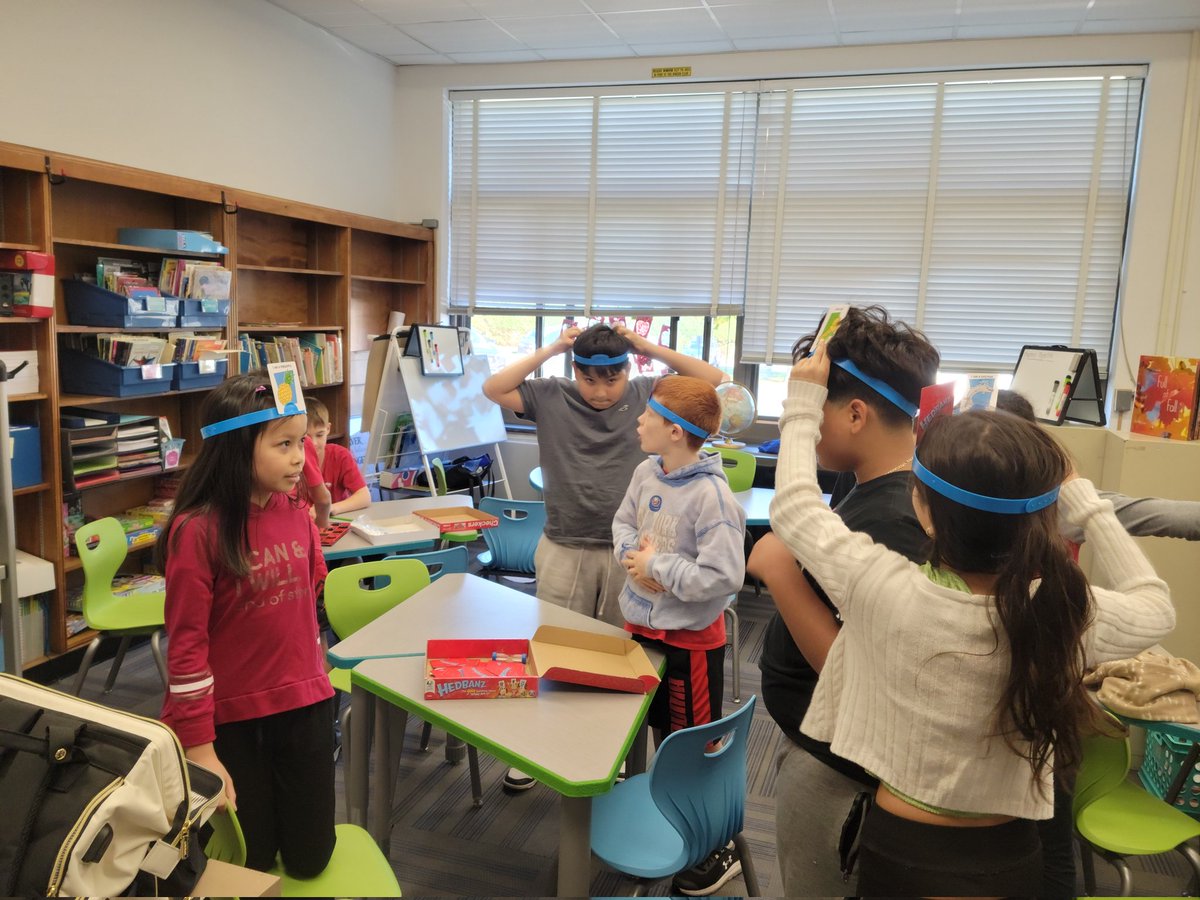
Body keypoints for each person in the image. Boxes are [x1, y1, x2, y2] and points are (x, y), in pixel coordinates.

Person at [769, 341, 1175, 895]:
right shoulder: (1064, 610)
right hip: (1007, 851)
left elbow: (795, 505)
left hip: (901, 847)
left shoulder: (881, 586)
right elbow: (1156, 605)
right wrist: (1083, 499)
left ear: (925, 510)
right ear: (1040, 515)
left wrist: (802, 400)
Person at [483, 322, 723, 793]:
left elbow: (709, 377)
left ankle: (607, 750)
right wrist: (554, 346)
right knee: (553, 649)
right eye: (589, 379)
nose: (600, 390)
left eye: (611, 378)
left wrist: (641, 343)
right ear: (574, 371)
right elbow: (494, 388)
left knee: (619, 657)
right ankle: (541, 748)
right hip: (563, 544)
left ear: (627, 370)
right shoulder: (550, 394)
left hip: (630, 554)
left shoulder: (645, 395)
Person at [750, 305, 939, 897]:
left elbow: (859, 671)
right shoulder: (874, 490)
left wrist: (781, 574)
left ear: (855, 413)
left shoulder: (893, 517)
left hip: (835, 769)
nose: (802, 427)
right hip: (819, 742)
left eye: (809, 414)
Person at [995, 386, 1200, 896]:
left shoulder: (1056, 503)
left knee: (1049, 837)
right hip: (995, 700)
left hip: (1046, 696)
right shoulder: (960, 503)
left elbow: (1165, 515)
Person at [157, 372, 336, 875]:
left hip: (305, 704)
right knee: (248, 862)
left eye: (301, 441)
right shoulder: (199, 531)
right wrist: (199, 746)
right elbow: (186, 647)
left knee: (310, 862)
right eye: (284, 444)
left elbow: (309, 600)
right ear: (236, 448)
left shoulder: (297, 515)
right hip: (234, 720)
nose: (300, 456)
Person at [613, 375, 746, 740]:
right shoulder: (646, 472)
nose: (639, 421)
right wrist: (631, 558)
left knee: (688, 740)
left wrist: (654, 566)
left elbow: (724, 576)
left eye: (648, 414)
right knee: (642, 727)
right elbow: (623, 522)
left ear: (674, 432)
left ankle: (684, 798)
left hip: (689, 642)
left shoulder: (711, 496)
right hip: (640, 625)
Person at [305, 397, 370, 517]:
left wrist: (331, 508)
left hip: (335, 522)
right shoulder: (292, 462)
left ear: (328, 428)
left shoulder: (340, 455)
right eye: (306, 438)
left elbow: (364, 496)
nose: (313, 443)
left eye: (319, 435)